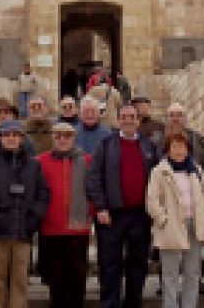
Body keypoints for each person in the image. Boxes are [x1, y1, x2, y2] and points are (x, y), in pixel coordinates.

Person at [0, 120, 50, 308]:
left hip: (23, 231)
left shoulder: (34, 166)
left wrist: (35, 217)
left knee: (20, 281)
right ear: (0, 139)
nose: (11, 139)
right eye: (7, 135)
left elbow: (43, 193)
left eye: (15, 135)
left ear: (21, 139)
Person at [87, 104, 160, 308]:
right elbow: (94, 177)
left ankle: (133, 303)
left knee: (138, 263)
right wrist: (100, 207)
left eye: (132, 117)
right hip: (112, 214)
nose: (128, 120)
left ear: (138, 120)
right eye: (124, 117)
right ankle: (110, 304)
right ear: (118, 120)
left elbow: (157, 179)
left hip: (140, 215)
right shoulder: (106, 144)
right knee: (110, 264)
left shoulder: (149, 146)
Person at [146, 131, 204, 308]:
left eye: (182, 146)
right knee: (170, 274)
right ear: (168, 150)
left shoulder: (195, 169)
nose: (178, 150)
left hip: (194, 224)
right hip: (171, 226)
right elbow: (152, 200)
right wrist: (163, 219)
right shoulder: (159, 171)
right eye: (174, 146)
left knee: (192, 273)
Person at [36, 122, 94, 308]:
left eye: (67, 136)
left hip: (78, 227)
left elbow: (93, 189)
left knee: (77, 274)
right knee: (56, 275)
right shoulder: (40, 161)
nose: (62, 140)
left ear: (73, 138)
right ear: (53, 138)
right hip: (52, 226)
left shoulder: (86, 160)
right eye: (58, 136)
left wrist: (90, 211)